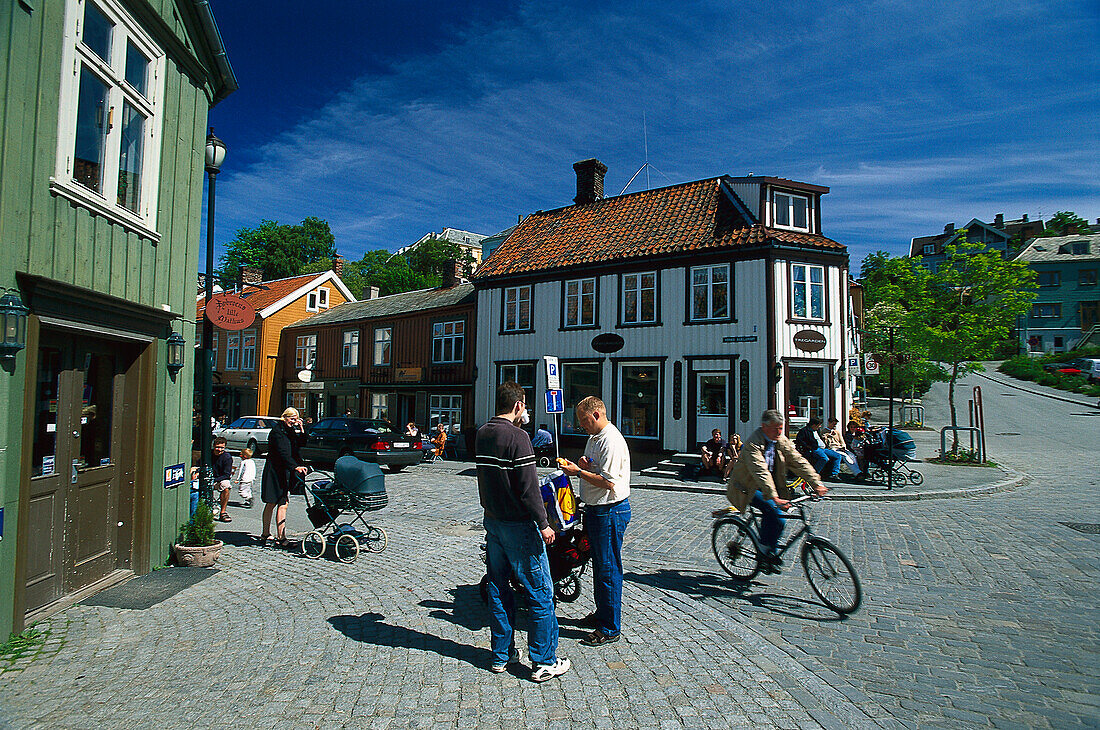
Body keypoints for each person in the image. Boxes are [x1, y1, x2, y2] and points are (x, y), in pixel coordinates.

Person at [476, 382, 570, 682]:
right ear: (518, 405)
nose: (526, 411)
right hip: (519, 525)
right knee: (540, 592)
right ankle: (544, 660)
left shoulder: (482, 433)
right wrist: (544, 523)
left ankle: (501, 655)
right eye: (525, 406)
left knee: (498, 587)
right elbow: (529, 488)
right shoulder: (518, 437)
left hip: (493, 520)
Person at [558, 396, 630, 647]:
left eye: (584, 420)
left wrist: (578, 472)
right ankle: (603, 615)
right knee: (600, 566)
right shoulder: (594, 438)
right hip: (597, 509)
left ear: (597, 415)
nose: (582, 426)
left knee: (608, 569)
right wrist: (583, 465)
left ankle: (610, 627)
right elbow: (596, 470)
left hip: (610, 509)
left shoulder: (610, 440)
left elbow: (609, 482)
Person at [724, 409, 826, 571]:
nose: (779, 432)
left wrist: (816, 482)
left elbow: (798, 461)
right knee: (774, 512)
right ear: (764, 427)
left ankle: (769, 549)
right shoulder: (753, 444)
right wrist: (774, 498)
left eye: (781, 428)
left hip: (769, 486)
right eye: (775, 428)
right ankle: (764, 552)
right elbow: (760, 471)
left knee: (778, 518)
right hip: (747, 487)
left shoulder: (780, 440)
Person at [261, 408, 308, 547]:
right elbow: (283, 453)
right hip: (275, 471)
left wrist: (301, 429)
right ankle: (270, 535)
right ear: (284, 417)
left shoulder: (289, 431)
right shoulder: (277, 432)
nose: (293, 422)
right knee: (272, 502)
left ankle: (277, 536)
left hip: (283, 471)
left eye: (296, 419)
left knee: (282, 502)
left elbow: (300, 444)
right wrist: (295, 466)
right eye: (292, 419)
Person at [795, 416, 843, 481]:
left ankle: (834, 474)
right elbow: (799, 440)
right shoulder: (804, 431)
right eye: (819, 425)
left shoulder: (817, 430)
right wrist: (808, 447)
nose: (820, 426)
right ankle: (814, 474)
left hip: (823, 449)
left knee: (837, 456)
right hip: (814, 449)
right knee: (824, 458)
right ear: (813, 425)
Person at [822, 417, 865, 481]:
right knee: (845, 456)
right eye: (833, 424)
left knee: (852, 455)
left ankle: (858, 471)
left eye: (835, 424)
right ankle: (857, 473)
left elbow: (842, 441)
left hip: (840, 448)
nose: (834, 426)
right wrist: (829, 435)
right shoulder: (824, 431)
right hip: (832, 448)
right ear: (829, 423)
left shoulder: (837, 432)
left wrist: (843, 447)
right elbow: (825, 442)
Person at [211, 436, 234, 522]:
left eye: (222, 448)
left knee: (226, 486)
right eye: (217, 447)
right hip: (208, 479)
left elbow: (227, 475)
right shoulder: (209, 454)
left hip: (218, 480)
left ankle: (223, 512)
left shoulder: (227, 457)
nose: (219, 449)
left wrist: (214, 480)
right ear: (213, 446)